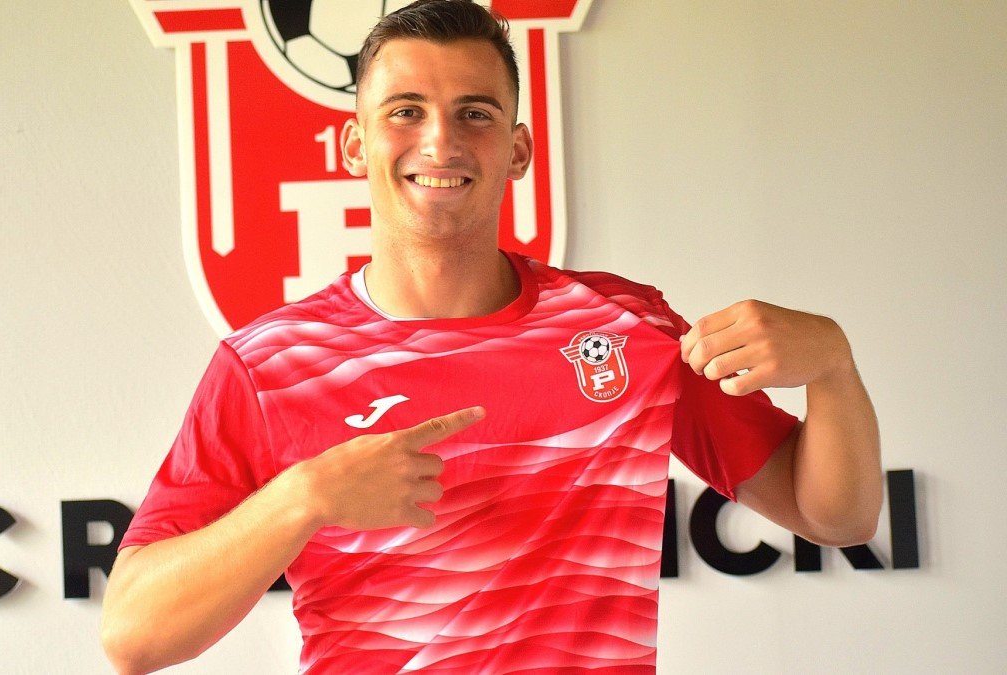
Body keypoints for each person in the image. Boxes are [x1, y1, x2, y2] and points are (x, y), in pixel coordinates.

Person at [100, 1, 882, 672]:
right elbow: (132, 634)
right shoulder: (271, 365)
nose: (440, 141)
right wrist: (305, 497)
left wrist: (833, 368)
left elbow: (835, 516)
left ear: (518, 150)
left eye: (474, 113)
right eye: (405, 110)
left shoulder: (627, 329)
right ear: (353, 145)